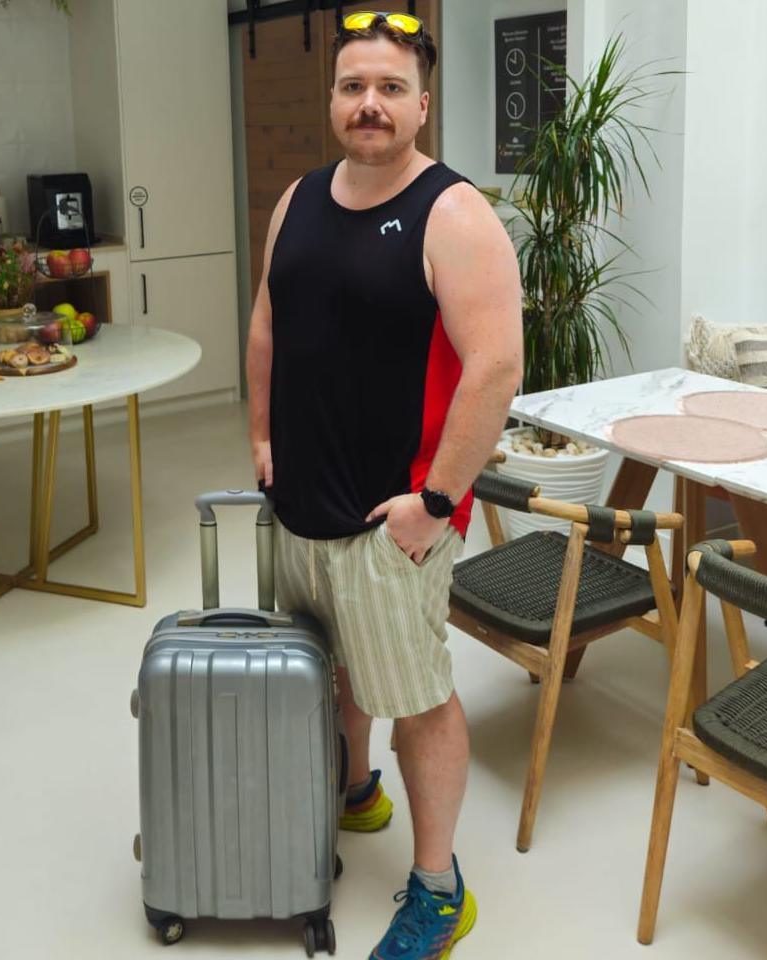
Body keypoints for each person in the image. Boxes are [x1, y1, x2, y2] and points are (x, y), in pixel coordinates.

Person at [246, 11, 522, 958]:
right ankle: (355, 795)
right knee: (329, 667)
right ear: (334, 98)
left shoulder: (455, 213)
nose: (370, 104)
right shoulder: (298, 200)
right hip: (298, 505)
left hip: (390, 518)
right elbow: (266, 328)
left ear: (422, 105)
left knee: (417, 696)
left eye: (390, 88)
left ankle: (441, 888)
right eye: (354, 85)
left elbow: (495, 370)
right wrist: (257, 435)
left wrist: (436, 503)